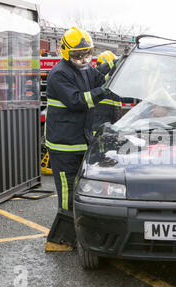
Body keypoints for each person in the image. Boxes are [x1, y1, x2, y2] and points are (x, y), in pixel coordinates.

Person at [44, 27, 111, 251]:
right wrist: (104, 89)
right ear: (66, 53)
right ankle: (59, 241)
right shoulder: (59, 74)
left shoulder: (84, 68)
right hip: (63, 145)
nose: (83, 59)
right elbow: (77, 101)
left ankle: (76, 236)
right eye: (77, 55)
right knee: (67, 193)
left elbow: (100, 77)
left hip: (80, 142)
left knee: (81, 190)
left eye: (86, 54)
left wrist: (116, 67)